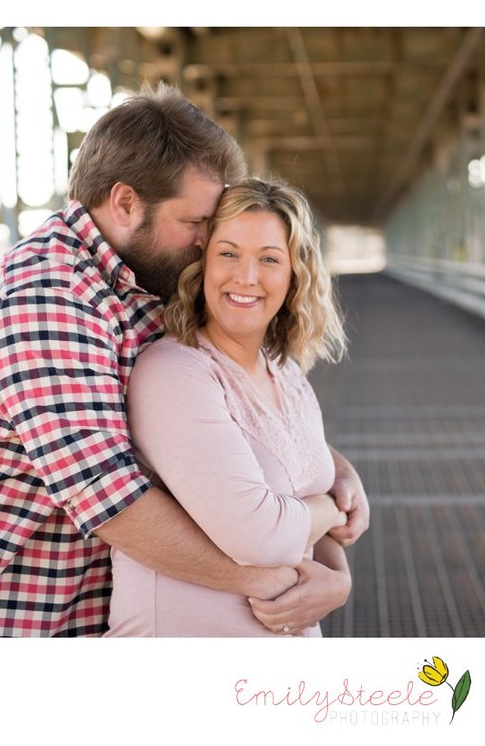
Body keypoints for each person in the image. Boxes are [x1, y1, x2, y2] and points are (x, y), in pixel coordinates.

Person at [0, 84, 368, 637]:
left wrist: (330, 468)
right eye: (197, 223)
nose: (205, 244)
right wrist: (281, 582)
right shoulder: (47, 297)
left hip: (83, 610)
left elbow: (230, 419)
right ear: (126, 203)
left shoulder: (149, 282)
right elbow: (112, 502)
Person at [106, 178, 350, 636]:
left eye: (270, 259)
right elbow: (261, 535)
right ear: (202, 265)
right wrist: (334, 508)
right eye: (229, 253)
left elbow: (307, 513)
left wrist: (339, 581)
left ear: (295, 275)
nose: (246, 277)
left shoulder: (287, 374)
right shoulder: (174, 372)